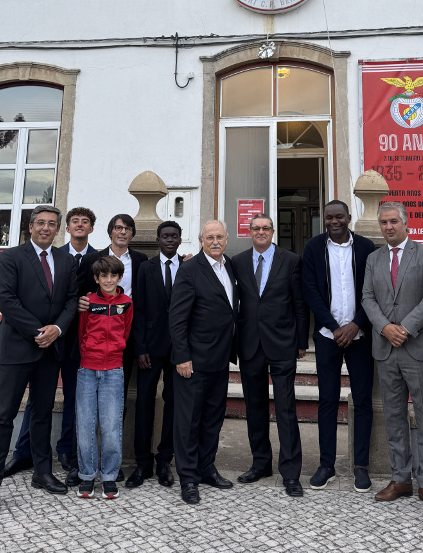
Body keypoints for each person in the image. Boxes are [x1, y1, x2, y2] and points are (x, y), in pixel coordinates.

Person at [0, 205, 78, 518]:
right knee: (3, 415)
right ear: (31, 226)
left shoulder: (65, 260)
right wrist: (39, 332)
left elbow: (72, 299)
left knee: (42, 413)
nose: (46, 228)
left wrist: (58, 329)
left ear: (57, 229)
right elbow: (6, 300)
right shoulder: (11, 257)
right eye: (41, 223)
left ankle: (42, 472)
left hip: (51, 351)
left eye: (51, 224)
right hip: (18, 348)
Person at [361, 201, 423, 514]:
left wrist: (405, 328)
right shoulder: (373, 258)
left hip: (417, 349)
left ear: (405, 223)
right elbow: (367, 298)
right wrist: (385, 328)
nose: (388, 227)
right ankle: (400, 478)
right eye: (383, 222)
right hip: (385, 350)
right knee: (394, 415)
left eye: (393, 221)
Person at [3, 206, 97, 478]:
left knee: (73, 397)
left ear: (91, 228)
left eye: (85, 222)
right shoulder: (54, 254)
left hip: (77, 338)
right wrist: (43, 330)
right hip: (45, 338)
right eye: (74, 221)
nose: (79, 225)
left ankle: (65, 449)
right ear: (65, 228)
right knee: (37, 400)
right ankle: (24, 453)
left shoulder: (98, 258)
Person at [301, 200, 376, 493]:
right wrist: (334, 328)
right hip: (326, 335)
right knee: (327, 400)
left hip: (360, 335)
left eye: (339, 217)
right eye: (329, 217)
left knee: (363, 401)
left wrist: (356, 324)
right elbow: (310, 290)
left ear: (349, 217)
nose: (334, 221)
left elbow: (372, 291)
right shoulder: (313, 247)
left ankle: (361, 466)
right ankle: (326, 465)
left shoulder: (366, 247)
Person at [232, 213, 309, 497]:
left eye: (266, 228)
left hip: (282, 344)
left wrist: (302, 342)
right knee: (254, 407)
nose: (261, 232)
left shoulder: (290, 260)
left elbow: (299, 304)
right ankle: (260, 463)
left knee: (286, 409)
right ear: (249, 232)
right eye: (256, 228)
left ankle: (291, 472)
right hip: (250, 344)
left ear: (273, 232)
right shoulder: (237, 262)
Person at [169, 219, 238, 505]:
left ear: (226, 238)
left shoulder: (229, 265)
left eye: (219, 236)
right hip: (194, 361)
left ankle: (206, 467)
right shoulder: (189, 270)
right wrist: (182, 357)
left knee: (213, 417)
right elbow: (177, 318)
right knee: (188, 421)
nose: (215, 241)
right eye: (209, 237)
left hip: (221, 359)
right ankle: (188, 477)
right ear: (200, 240)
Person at [75, 213, 147, 485]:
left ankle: (111, 468)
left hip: (119, 349)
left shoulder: (140, 261)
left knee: (113, 416)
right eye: (118, 227)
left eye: (127, 228)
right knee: (85, 417)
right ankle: (85, 469)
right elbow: (82, 327)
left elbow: (130, 324)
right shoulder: (96, 261)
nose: (122, 232)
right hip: (90, 355)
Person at [128, 220, 188, 489]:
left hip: (178, 348)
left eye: (175, 236)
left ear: (180, 239)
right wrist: (139, 347)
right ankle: (143, 462)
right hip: (149, 349)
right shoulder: (145, 268)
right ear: (158, 240)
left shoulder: (188, 268)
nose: (170, 240)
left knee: (174, 403)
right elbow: (138, 309)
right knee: (144, 404)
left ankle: (165, 459)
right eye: (165, 236)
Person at [76, 255, 133, 500]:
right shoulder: (88, 302)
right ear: (97, 279)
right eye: (103, 276)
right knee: (86, 425)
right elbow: (81, 333)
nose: (108, 280)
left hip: (113, 371)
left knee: (110, 426)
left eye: (113, 275)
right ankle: (87, 476)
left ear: (120, 277)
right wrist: (89, 354)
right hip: (87, 370)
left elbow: (126, 332)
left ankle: (109, 476)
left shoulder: (126, 303)